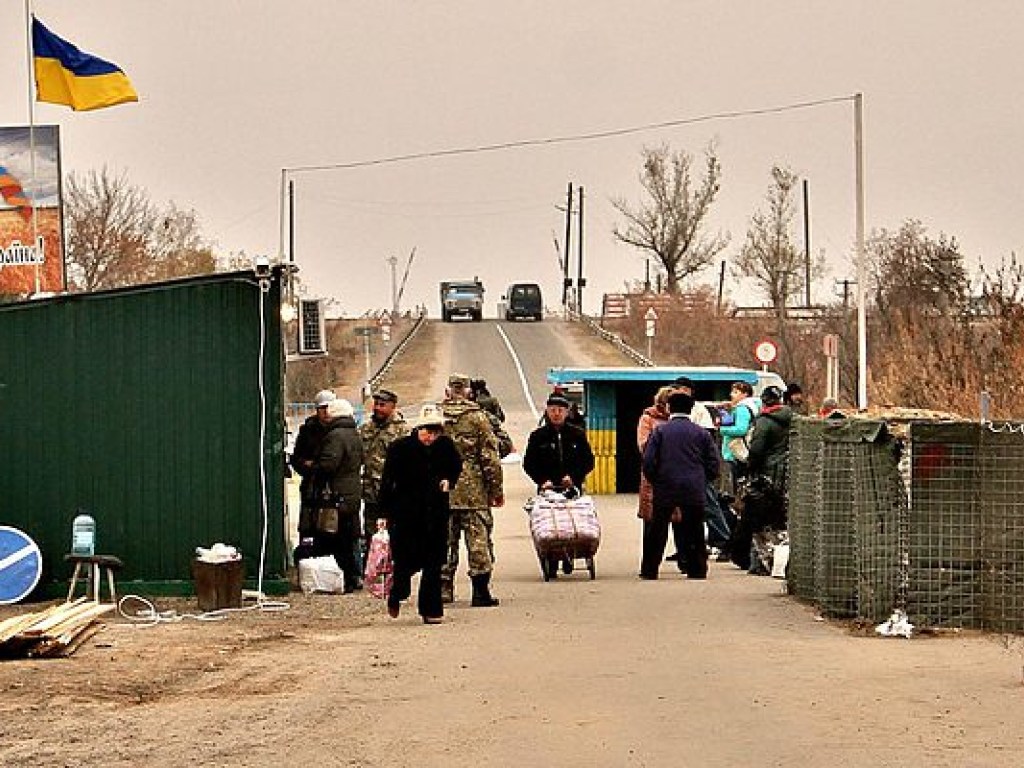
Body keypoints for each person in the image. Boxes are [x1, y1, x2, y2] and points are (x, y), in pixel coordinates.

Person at [379, 404, 463, 624]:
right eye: (427, 431)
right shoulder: (400, 448)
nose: (430, 437)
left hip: (435, 513)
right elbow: (387, 481)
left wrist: (449, 480)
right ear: (417, 429)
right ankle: (397, 593)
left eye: (435, 432)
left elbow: (456, 466)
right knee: (405, 562)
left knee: (434, 563)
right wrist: (384, 512)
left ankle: (431, 609)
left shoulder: (445, 447)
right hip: (406, 514)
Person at [439, 373, 505, 607]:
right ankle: (480, 591)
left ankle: (443, 590)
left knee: (444, 541)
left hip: (442, 490)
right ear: (468, 391)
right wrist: (496, 489)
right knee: (478, 541)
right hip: (474, 490)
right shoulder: (478, 418)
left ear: (448, 391)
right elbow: (490, 457)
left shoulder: (437, 416)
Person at [641, 392, 720, 579]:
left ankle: (650, 570)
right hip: (694, 487)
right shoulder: (701, 433)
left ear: (669, 408)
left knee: (657, 529)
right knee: (694, 528)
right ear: (691, 409)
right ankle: (697, 569)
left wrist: (656, 480)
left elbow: (649, 461)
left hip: (665, 486)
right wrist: (703, 479)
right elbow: (713, 463)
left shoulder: (660, 432)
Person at [523, 393, 596, 576]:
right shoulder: (538, 436)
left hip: (572, 487)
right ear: (547, 411)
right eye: (553, 410)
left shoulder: (576, 434)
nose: (556, 414)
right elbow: (529, 463)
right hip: (548, 488)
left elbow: (588, 461)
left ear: (567, 412)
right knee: (551, 527)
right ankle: (552, 560)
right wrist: (542, 480)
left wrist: (574, 476)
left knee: (571, 525)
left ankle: (570, 555)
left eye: (560, 410)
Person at [731, 385, 793, 573]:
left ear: (764, 401)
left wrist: (750, 466)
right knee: (779, 518)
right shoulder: (793, 419)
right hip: (787, 473)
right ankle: (780, 558)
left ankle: (759, 561)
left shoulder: (764, 422)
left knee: (754, 517)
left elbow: (757, 450)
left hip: (766, 475)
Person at [311, 398, 365, 593]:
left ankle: (344, 578)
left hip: (337, 493)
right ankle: (354, 575)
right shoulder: (354, 434)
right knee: (350, 537)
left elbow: (329, 464)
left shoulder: (335, 436)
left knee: (337, 538)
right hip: (352, 491)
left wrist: (314, 468)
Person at [358, 388, 409, 551]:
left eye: (382, 405)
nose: (378, 408)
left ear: (393, 406)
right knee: (371, 536)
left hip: (394, 495)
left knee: (396, 537)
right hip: (371, 494)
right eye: (376, 404)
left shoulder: (403, 431)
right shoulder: (366, 429)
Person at [289, 389, 336, 563]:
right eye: (322, 408)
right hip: (311, 486)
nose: (326, 412)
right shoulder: (307, 430)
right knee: (309, 525)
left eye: (329, 408)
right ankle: (308, 559)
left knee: (330, 526)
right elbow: (296, 458)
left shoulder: (339, 430)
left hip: (332, 487)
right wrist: (307, 467)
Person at [636, 387, 672, 522]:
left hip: (675, 476)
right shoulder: (648, 419)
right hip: (654, 474)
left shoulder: (677, 419)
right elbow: (644, 445)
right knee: (653, 524)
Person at [718, 381, 759, 494]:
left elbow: (741, 429)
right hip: (740, 452)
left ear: (745, 394)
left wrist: (722, 430)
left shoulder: (742, 409)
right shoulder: (751, 407)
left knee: (733, 488)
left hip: (735, 452)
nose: (732, 395)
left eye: (736, 392)